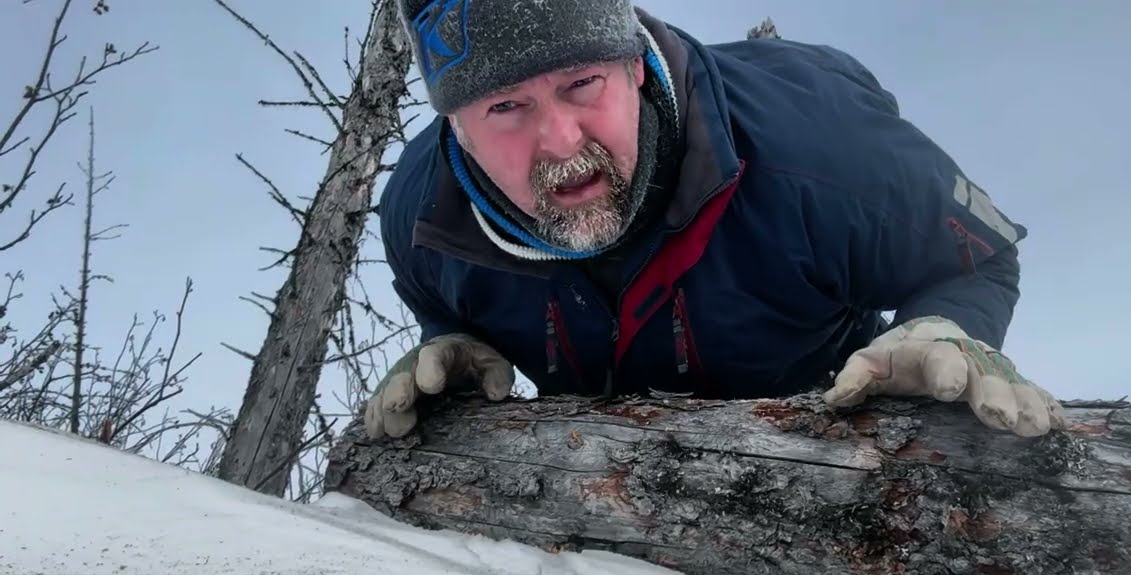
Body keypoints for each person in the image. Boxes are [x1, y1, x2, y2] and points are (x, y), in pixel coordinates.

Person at [364, 0, 1066, 440]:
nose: (562, 142)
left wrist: (948, 327)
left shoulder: (821, 153)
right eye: (505, 108)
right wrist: (447, 339)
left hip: (829, 464)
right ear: (455, 126)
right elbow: (432, 296)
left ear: (633, 64)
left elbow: (980, 258)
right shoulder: (423, 219)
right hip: (592, 533)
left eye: (582, 84)